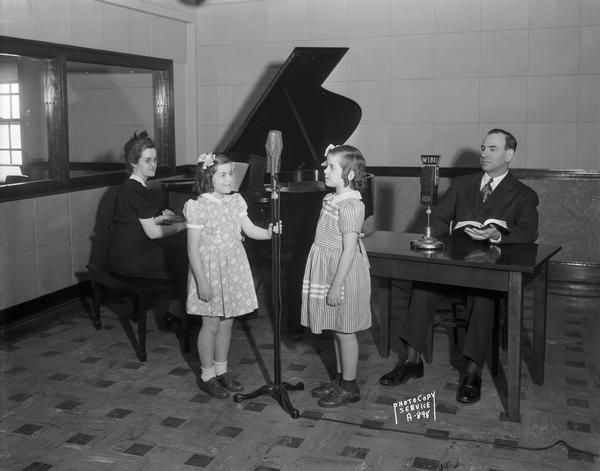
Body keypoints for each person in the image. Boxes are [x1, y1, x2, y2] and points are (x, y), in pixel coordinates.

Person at [379, 128, 539, 404]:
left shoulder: (523, 194)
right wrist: (439, 241)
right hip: (452, 266)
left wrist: (496, 235)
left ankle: (472, 371)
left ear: (509, 154)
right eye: (483, 148)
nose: (484, 154)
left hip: (490, 271)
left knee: (483, 294)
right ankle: (412, 360)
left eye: (492, 149)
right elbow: (439, 220)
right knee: (423, 286)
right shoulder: (463, 185)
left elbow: (529, 232)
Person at [184, 153, 280, 399]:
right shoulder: (198, 206)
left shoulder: (236, 201)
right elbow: (192, 249)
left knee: (228, 321)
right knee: (211, 323)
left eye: (231, 174)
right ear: (208, 177)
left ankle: (222, 370)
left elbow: (249, 229)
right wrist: (202, 282)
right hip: (209, 272)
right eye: (223, 174)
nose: (229, 179)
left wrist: (269, 233)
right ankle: (207, 376)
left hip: (233, 269)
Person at [301, 144, 372, 408]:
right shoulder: (331, 199)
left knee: (346, 331)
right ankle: (341, 381)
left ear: (350, 174)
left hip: (344, 273)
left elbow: (350, 250)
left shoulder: (352, 206)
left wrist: (335, 286)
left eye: (331, 167)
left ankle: (350, 387)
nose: (325, 171)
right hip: (329, 267)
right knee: (336, 328)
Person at [108, 131, 187, 280]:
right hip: (131, 259)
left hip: (120, 254)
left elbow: (132, 223)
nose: (154, 164)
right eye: (148, 160)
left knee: (179, 251)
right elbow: (153, 233)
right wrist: (186, 224)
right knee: (187, 257)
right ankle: (174, 301)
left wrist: (160, 218)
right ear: (133, 162)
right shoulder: (136, 190)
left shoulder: (130, 185)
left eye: (155, 160)